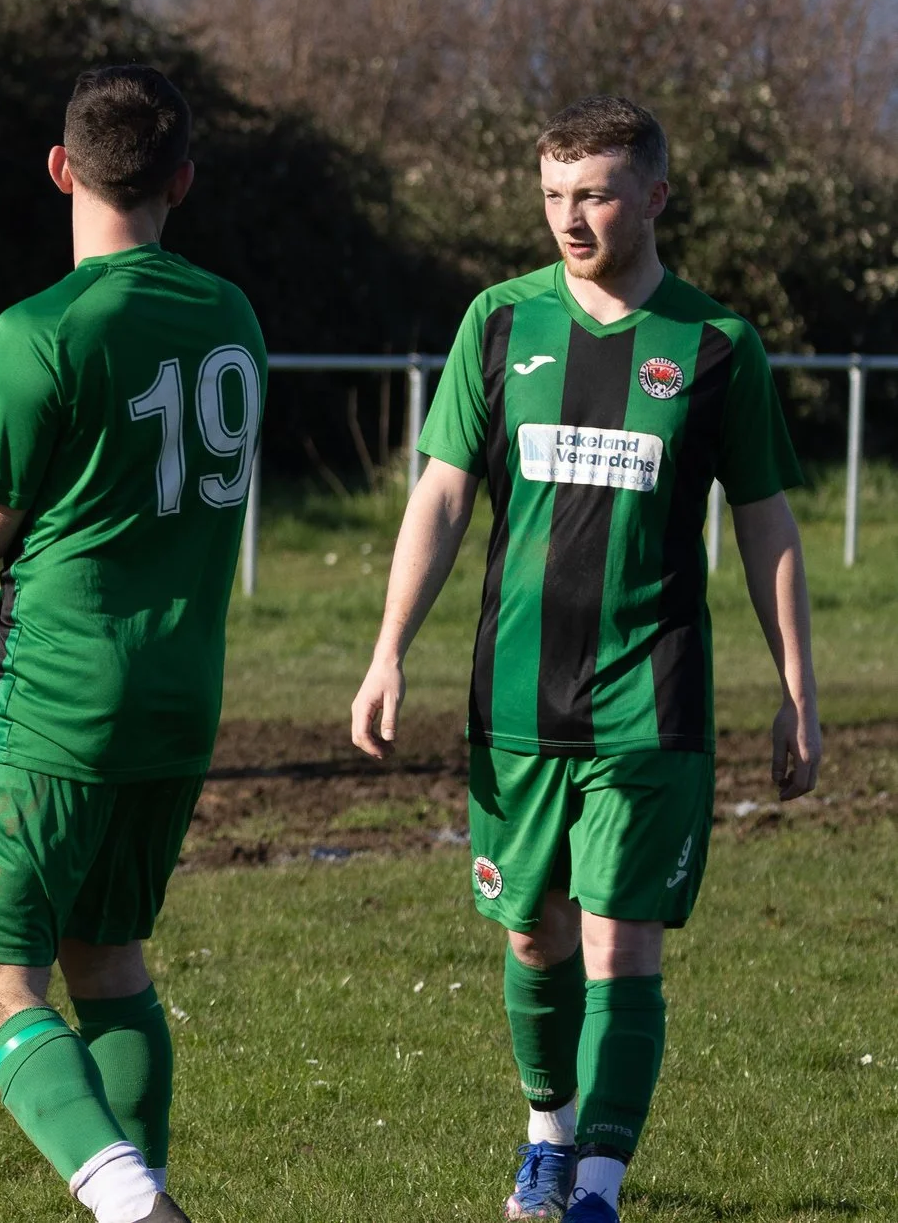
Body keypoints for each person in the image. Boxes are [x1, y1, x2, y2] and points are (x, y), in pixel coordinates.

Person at [349, 96, 823, 1223]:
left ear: (654, 196)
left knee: (620, 940)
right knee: (533, 929)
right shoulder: (499, 324)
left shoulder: (715, 346)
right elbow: (443, 494)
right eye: (556, 193)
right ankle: (546, 1136)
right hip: (514, 694)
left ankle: (599, 1183)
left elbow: (765, 523)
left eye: (597, 193)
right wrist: (385, 652)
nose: (572, 216)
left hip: (650, 699)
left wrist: (799, 693)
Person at [0, 66, 259, 1223]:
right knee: (107, 964)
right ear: (182, 182)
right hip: (180, 693)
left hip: (55, 697)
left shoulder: (40, 329)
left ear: (60, 169)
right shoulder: (232, 313)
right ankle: (135, 1196)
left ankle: (127, 1203)